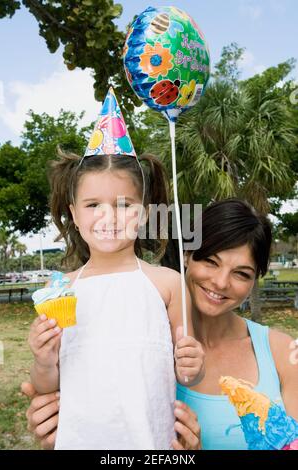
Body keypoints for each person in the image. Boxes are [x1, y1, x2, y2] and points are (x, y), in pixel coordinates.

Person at [27, 135, 205, 450]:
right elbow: (47, 385)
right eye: (93, 205)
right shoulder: (59, 290)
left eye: (124, 205)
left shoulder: (167, 284)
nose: (108, 216)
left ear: (145, 213)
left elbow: (187, 374)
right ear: (75, 215)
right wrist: (44, 359)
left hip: (151, 441)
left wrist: (193, 365)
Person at [176, 198, 298, 450]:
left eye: (241, 273)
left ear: (255, 279)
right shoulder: (147, 343)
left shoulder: (283, 354)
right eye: (210, 261)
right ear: (187, 254)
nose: (221, 282)